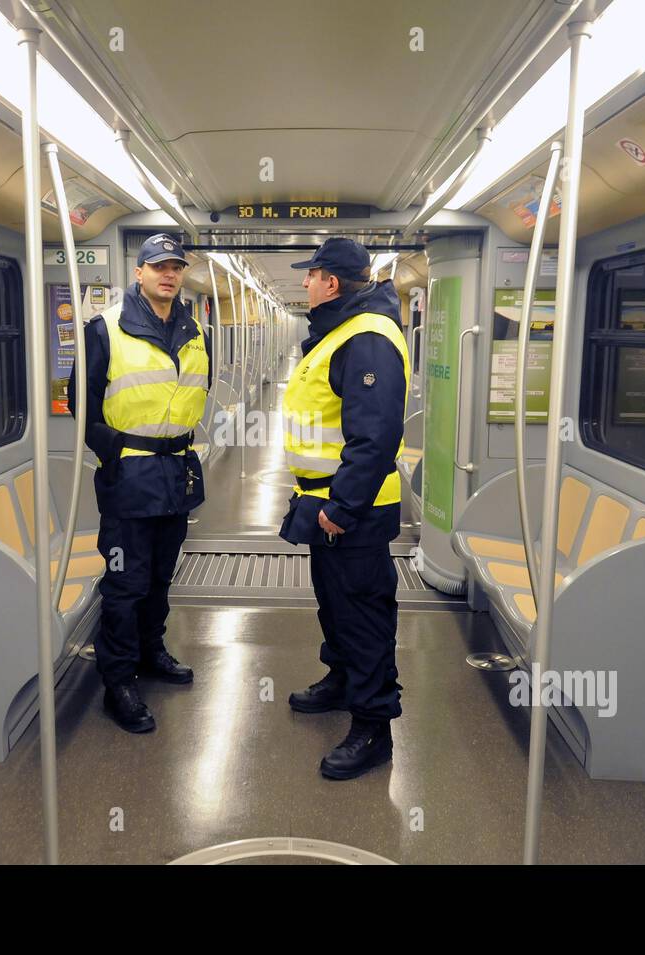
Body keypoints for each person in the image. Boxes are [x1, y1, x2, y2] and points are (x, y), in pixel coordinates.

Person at [279, 236, 409, 780]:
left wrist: (344, 506)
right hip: (323, 503)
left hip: (350, 510)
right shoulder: (340, 332)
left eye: (310, 275)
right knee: (335, 607)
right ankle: (339, 681)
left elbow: (374, 437)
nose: (305, 282)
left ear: (331, 282)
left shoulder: (369, 338)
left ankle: (373, 726)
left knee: (363, 616)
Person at [69, 234, 210, 733]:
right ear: (139, 273)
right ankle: (119, 682)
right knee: (125, 584)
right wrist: (112, 451)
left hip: (175, 474)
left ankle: (152, 653)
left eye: (176, 267)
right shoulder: (105, 329)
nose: (169, 275)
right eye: (159, 267)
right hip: (129, 477)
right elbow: (78, 403)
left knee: (159, 578)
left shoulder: (195, 331)